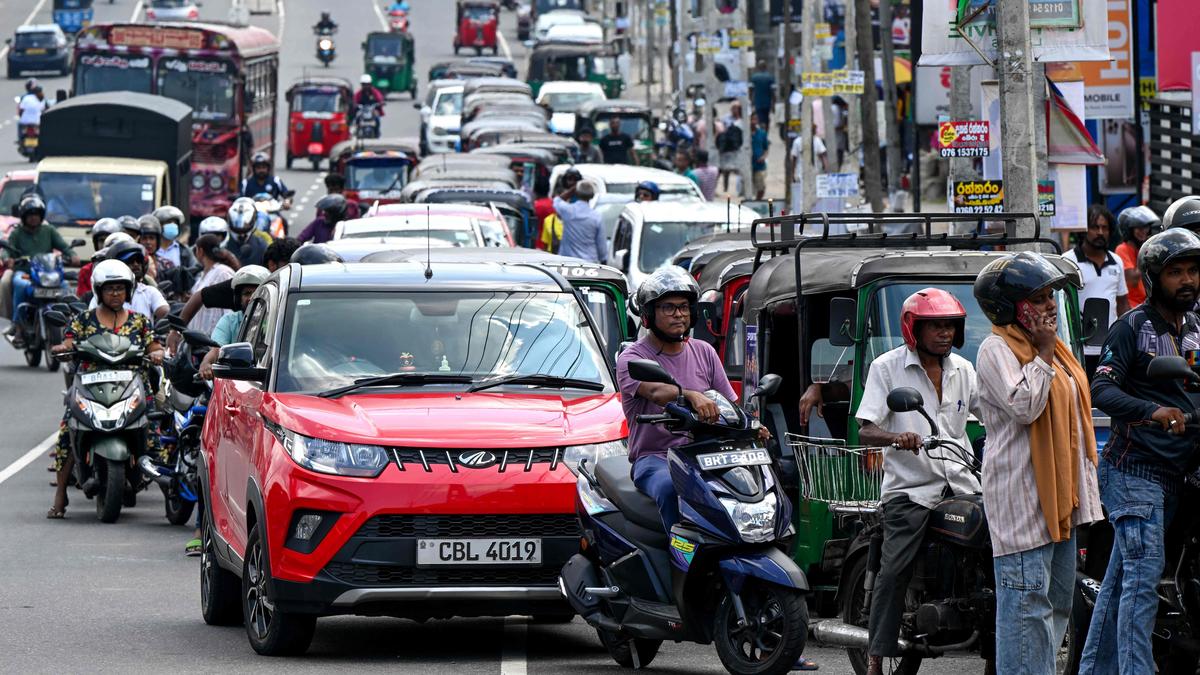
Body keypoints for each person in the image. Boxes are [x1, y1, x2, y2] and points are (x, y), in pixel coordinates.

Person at [973, 251, 1102, 675]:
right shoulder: (996, 349)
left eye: (1050, 296)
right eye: (1039, 298)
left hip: (1058, 505)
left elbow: (1075, 424)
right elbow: (1025, 406)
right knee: (1027, 611)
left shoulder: (1058, 351)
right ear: (1010, 307)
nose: (1050, 306)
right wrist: (1043, 354)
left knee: (1056, 606)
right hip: (1023, 503)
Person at [1078, 228, 1200, 673]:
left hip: (1177, 472)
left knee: (1118, 587)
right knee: (1142, 581)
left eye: (1193, 271)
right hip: (1135, 471)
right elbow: (1102, 389)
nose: (1187, 280)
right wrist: (1153, 411)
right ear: (1152, 278)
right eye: (1175, 272)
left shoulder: (1196, 329)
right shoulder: (1131, 327)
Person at [855, 289, 982, 675]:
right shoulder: (887, 367)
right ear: (914, 329)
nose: (945, 333)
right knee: (895, 568)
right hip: (911, 490)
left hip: (961, 483)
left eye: (950, 326)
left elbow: (993, 415)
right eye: (935, 326)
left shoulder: (964, 369)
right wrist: (897, 437)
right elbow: (866, 429)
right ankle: (876, 655)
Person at [616, 266, 734, 536]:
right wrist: (690, 394)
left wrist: (754, 426)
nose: (678, 314)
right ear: (648, 314)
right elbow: (656, 392)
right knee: (671, 488)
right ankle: (679, 555)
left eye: (683, 307)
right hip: (655, 458)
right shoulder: (633, 358)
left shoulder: (704, 352)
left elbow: (729, 403)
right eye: (668, 307)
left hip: (705, 454)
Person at [47, 260, 164, 519]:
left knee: (154, 433)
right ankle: (60, 496)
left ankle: (171, 494)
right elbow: (69, 341)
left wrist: (157, 353)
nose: (115, 294)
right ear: (99, 291)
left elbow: (154, 345)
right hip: (90, 383)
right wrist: (63, 348)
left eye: (120, 288)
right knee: (68, 432)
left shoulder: (139, 321)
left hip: (132, 383)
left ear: (128, 291)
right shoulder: (83, 320)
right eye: (110, 289)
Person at [0, 196, 79, 339]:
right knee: (18, 284)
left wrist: (73, 255)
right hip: (25, 273)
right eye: (30, 214)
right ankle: (17, 324)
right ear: (23, 216)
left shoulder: (49, 230)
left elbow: (64, 247)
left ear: (41, 215)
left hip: (47, 274)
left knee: (65, 286)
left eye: (36, 214)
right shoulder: (17, 233)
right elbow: (7, 250)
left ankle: (71, 324)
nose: (33, 218)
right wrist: (7, 259)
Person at [179, 237, 299, 326]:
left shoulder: (302, 286)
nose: (250, 297)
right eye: (248, 293)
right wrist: (177, 332)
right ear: (272, 265)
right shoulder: (247, 285)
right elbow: (200, 296)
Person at [1067, 205, 1130, 374]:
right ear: (1084, 230)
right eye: (1095, 227)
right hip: (1078, 349)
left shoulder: (1117, 261)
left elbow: (1123, 303)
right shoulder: (1068, 261)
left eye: (1104, 228)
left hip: (1110, 347)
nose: (1100, 232)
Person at [199, 265, 270, 380]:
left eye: (257, 292)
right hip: (235, 381)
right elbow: (217, 350)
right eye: (247, 293)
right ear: (238, 298)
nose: (251, 297)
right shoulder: (229, 320)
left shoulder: (276, 320)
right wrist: (206, 363)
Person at [89, 240, 168, 320]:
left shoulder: (150, 292)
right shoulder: (102, 296)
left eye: (138, 261)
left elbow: (165, 312)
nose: (136, 264)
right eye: (130, 261)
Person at [187, 233, 239, 334]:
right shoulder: (202, 275)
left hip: (215, 338)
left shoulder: (223, 272)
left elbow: (229, 309)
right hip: (197, 337)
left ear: (200, 251)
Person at [1114, 205, 1160, 307]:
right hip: (1131, 305)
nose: (1144, 231)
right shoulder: (1122, 249)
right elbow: (1132, 280)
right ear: (1129, 230)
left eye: (1146, 227)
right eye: (1139, 228)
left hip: (1145, 303)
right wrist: (1147, 256)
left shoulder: (1142, 249)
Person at [553, 180, 606, 264]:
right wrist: (603, 260)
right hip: (589, 263)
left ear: (576, 193)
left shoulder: (568, 211)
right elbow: (601, 245)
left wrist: (571, 191)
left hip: (568, 262)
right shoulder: (596, 217)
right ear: (592, 196)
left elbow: (556, 201)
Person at [76, 218, 123, 297]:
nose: (105, 244)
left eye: (110, 241)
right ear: (95, 243)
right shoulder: (86, 271)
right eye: (101, 240)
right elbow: (83, 300)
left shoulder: (127, 266)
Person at [224, 197, 269, 267]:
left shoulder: (262, 244)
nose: (241, 234)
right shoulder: (222, 245)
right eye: (237, 230)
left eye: (246, 226)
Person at [716, 101, 745, 193]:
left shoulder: (744, 122)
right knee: (724, 169)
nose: (735, 110)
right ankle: (725, 187)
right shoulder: (727, 119)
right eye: (734, 108)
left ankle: (742, 189)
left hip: (739, 147)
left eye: (737, 109)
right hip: (728, 147)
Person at [749, 60, 776, 126]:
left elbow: (750, 90)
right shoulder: (770, 77)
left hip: (758, 102)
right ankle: (766, 130)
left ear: (758, 67)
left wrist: (751, 101)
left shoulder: (754, 77)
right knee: (766, 118)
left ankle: (762, 129)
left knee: (760, 118)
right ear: (765, 67)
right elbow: (773, 92)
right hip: (767, 102)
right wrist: (773, 103)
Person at [750, 116, 770, 200]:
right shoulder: (744, 133)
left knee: (761, 187)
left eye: (755, 119)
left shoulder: (762, 133)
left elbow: (766, 149)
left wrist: (763, 157)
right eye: (751, 119)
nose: (753, 122)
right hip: (748, 165)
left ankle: (757, 201)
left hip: (759, 165)